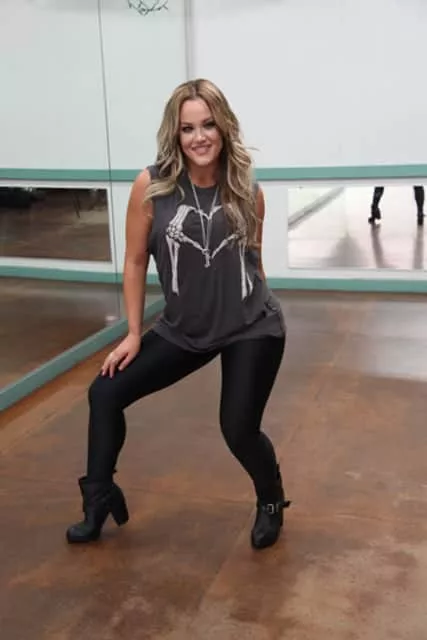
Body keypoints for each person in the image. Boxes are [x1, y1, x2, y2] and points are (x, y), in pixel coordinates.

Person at [65, 78, 290, 551]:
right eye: (188, 128)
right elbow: (134, 261)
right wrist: (132, 332)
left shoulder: (247, 189)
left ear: (224, 127)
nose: (199, 137)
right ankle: (98, 498)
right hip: (185, 329)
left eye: (208, 125)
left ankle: (270, 499)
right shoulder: (152, 186)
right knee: (105, 393)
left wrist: (260, 310)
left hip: (250, 326)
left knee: (238, 429)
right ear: (176, 134)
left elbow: (253, 261)